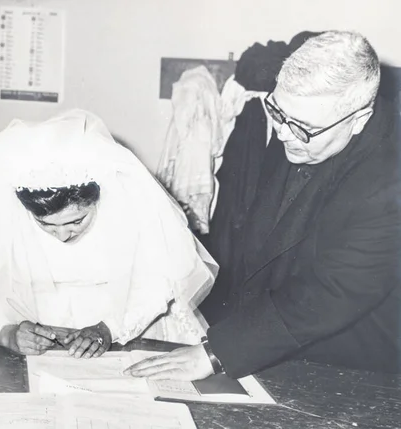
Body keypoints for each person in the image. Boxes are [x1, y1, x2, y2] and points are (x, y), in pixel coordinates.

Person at [125, 30, 401, 381]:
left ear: (359, 119)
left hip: (356, 367)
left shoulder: (389, 183)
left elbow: (333, 291)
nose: (283, 133)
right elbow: (265, 242)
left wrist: (218, 352)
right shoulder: (300, 126)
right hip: (273, 344)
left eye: (302, 128)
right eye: (278, 112)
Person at [0, 109, 218, 358]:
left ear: (98, 198)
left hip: (134, 331)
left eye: (76, 221)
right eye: (46, 225)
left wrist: (110, 328)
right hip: (40, 344)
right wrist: (6, 333)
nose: (63, 236)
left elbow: (159, 279)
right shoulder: (6, 213)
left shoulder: (127, 205)